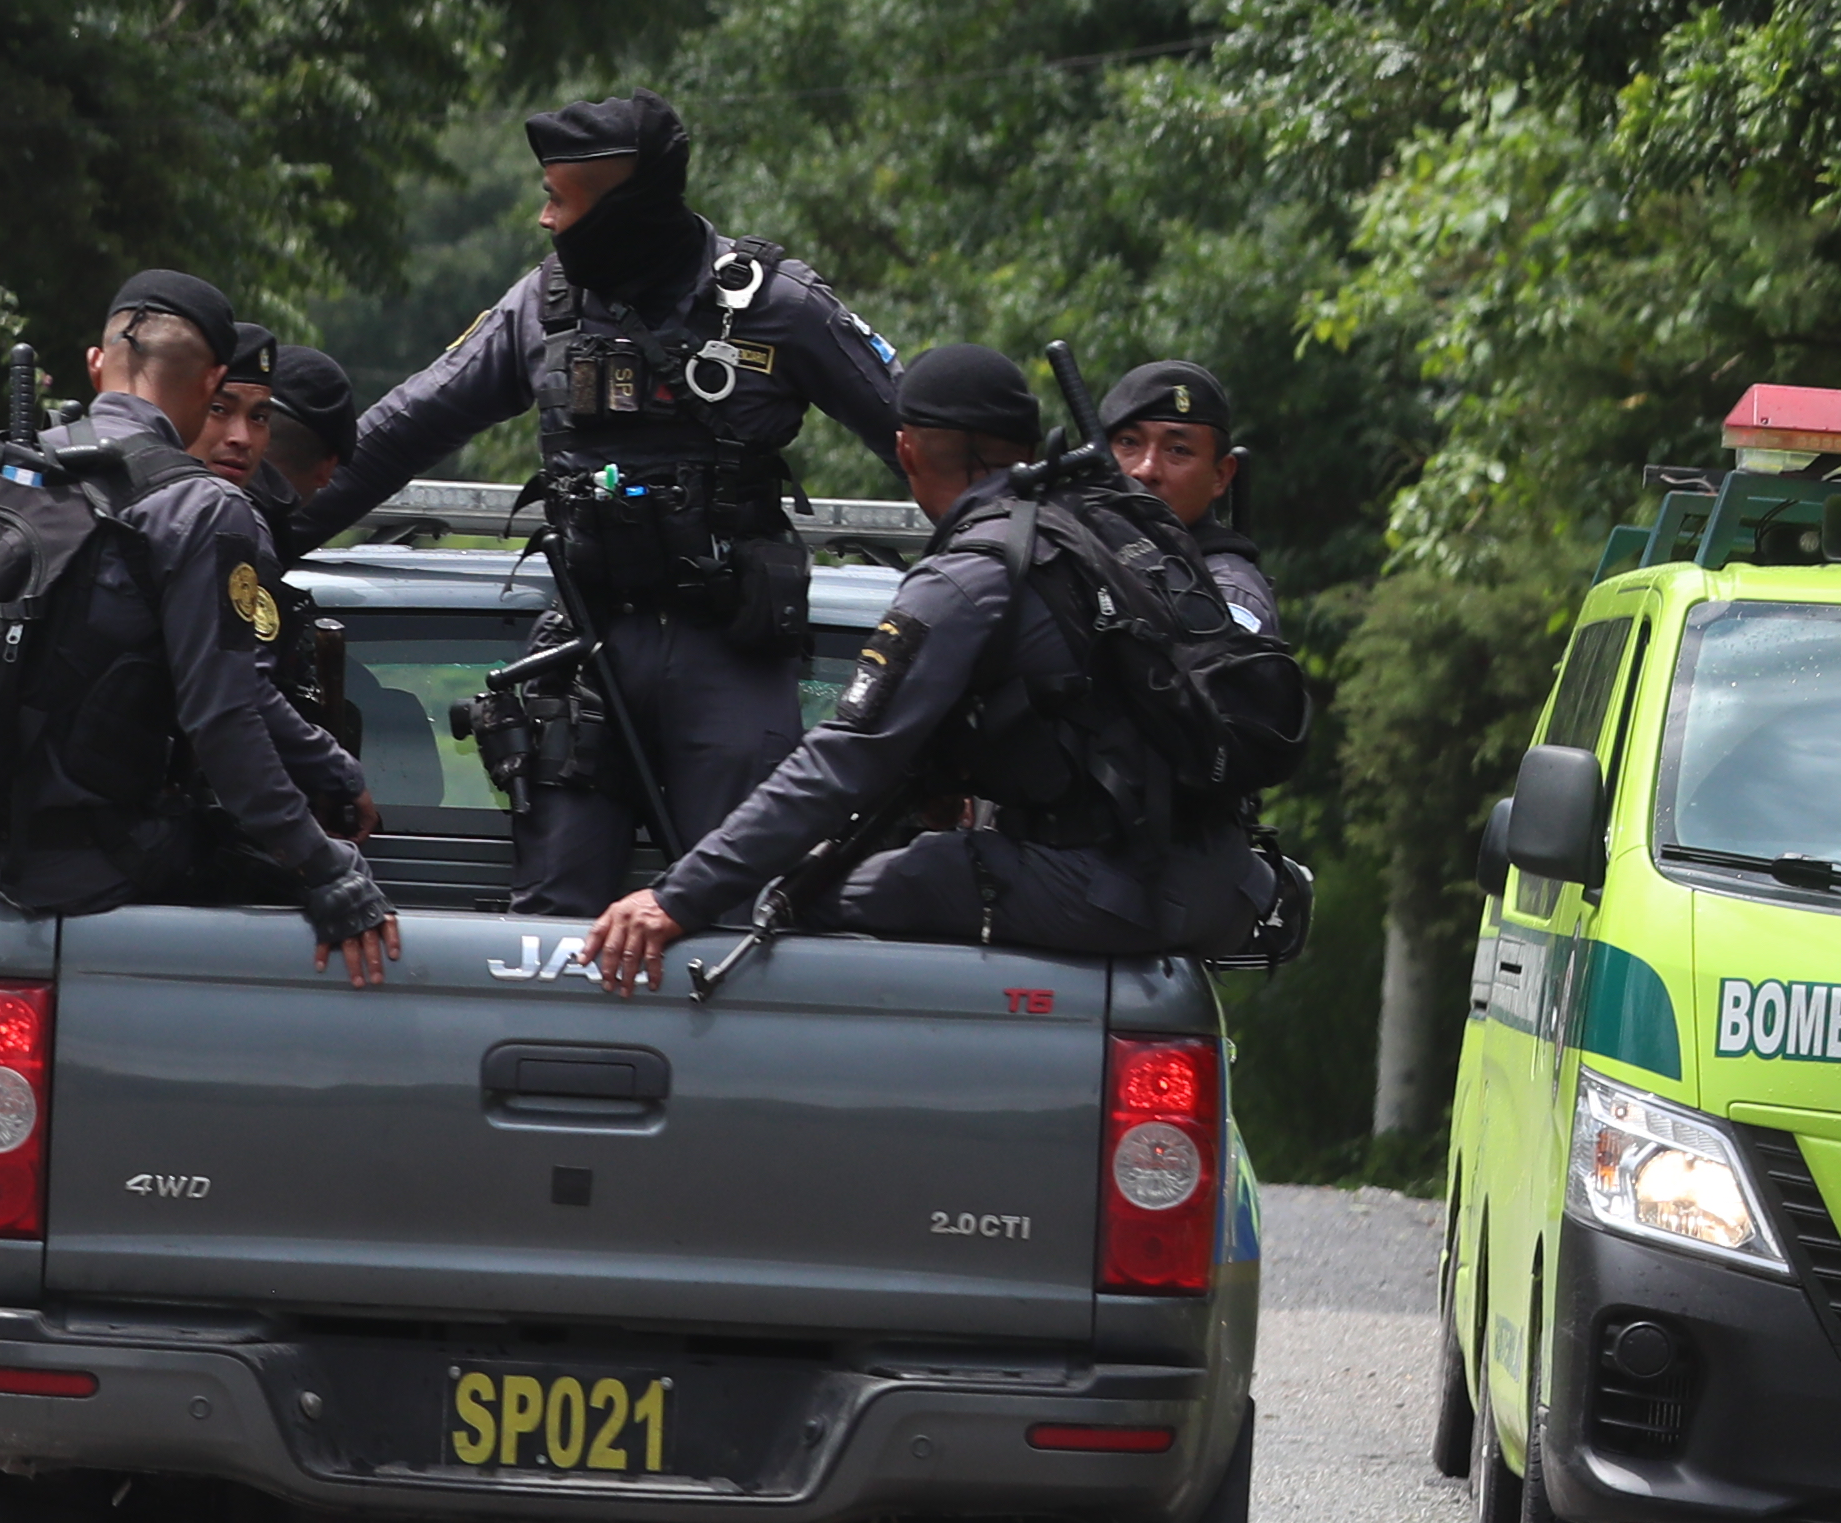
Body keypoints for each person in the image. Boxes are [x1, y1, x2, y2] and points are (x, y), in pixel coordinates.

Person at [276, 94, 902, 912]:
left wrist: (1020, 549)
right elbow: (393, 437)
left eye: (560, 200)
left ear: (625, 207)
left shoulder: (777, 304)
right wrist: (256, 535)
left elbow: (925, 437)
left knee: (741, 910)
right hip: (582, 646)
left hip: (729, 649)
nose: (543, 220)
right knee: (552, 915)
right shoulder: (542, 305)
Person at [580, 346, 1271, 985]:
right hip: (1216, 882)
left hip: (1115, 888)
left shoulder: (973, 572)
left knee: (776, 899)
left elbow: (842, 760)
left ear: (906, 452)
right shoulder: (1096, 538)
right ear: (1029, 450)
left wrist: (676, 897)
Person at [0, 271, 398, 981]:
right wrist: (328, 870)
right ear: (211, 380)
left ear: (96, 365)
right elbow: (223, 716)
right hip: (85, 861)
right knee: (275, 882)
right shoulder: (202, 508)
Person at [197, 338, 366, 763]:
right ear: (327, 469)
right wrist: (333, 770)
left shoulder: (172, 505)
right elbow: (246, 697)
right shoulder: (242, 531)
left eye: (257, 417)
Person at [1099, 357, 1279, 637]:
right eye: (1129, 443)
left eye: (1178, 450)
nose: (1146, 469)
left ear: (1220, 475)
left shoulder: (1227, 592)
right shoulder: (1084, 555)